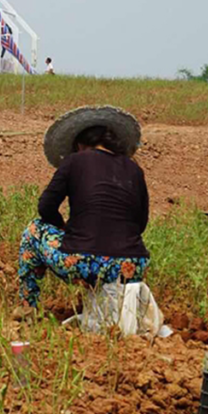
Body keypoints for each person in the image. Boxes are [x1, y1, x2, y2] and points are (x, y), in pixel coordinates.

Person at [17, 106, 149, 308]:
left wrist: (63, 227)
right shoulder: (134, 169)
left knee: (33, 231)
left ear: (80, 144)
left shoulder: (74, 161)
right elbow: (140, 224)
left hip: (83, 261)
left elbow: (45, 207)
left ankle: (28, 306)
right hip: (133, 265)